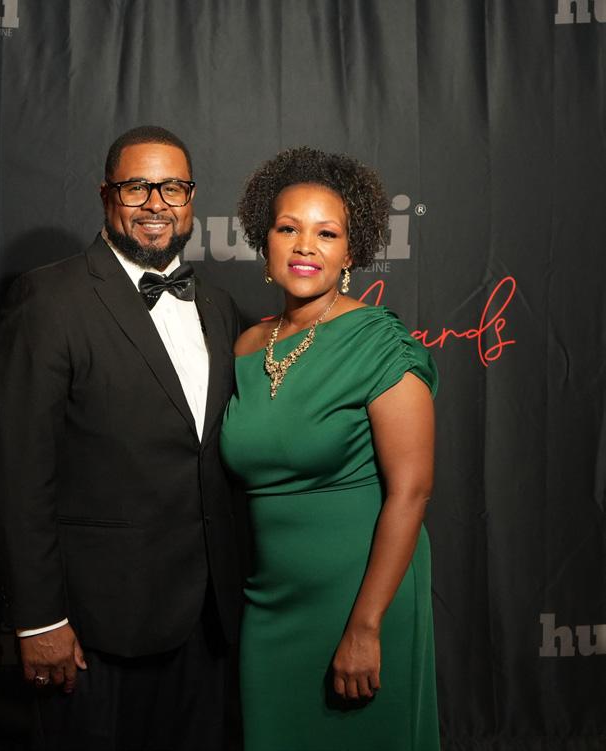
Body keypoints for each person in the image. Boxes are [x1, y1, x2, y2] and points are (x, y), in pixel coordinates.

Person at [0, 126, 241, 751]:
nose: (156, 203)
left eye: (172, 188)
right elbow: (18, 471)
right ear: (106, 195)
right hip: (95, 625)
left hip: (209, 620)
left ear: (191, 198)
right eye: (137, 187)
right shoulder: (50, 299)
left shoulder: (219, 306)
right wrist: (39, 619)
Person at [220, 146, 440, 750]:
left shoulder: (380, 343)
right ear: (264, 242)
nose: (305, 246)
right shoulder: (246, 347)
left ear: (351, 251)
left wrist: (365, 627)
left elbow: (412, 491)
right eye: (288, 229)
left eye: (326, 233)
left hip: (362, 600)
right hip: (271, 602)